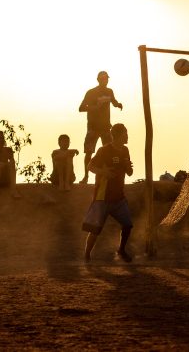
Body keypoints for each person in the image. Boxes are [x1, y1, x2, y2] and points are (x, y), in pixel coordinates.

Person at [82, 123, 133, 263]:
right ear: (118, 135)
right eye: (125, 133)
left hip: (118, 197)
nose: (127, 136)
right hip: (102, 197)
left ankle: (121, 251)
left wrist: (128, 167)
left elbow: (129, 172)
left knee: (128, 224)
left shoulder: (125, 150)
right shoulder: (104, 150)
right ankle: (87, 255)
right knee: (95, 229)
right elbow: (90, 166)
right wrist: (103, 172)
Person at [79, 71, 123, 184]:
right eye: (103, 79)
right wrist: (95, 107)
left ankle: (108, 177)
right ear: (98, 80)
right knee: (89, 152)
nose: (105, 81)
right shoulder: (91, 92)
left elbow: (113, 101)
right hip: (93, 127)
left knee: (109, 152)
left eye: (106, 79)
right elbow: (81, 108)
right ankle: (86, 176)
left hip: (105, 128)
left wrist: (118, 104)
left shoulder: (109, 91)